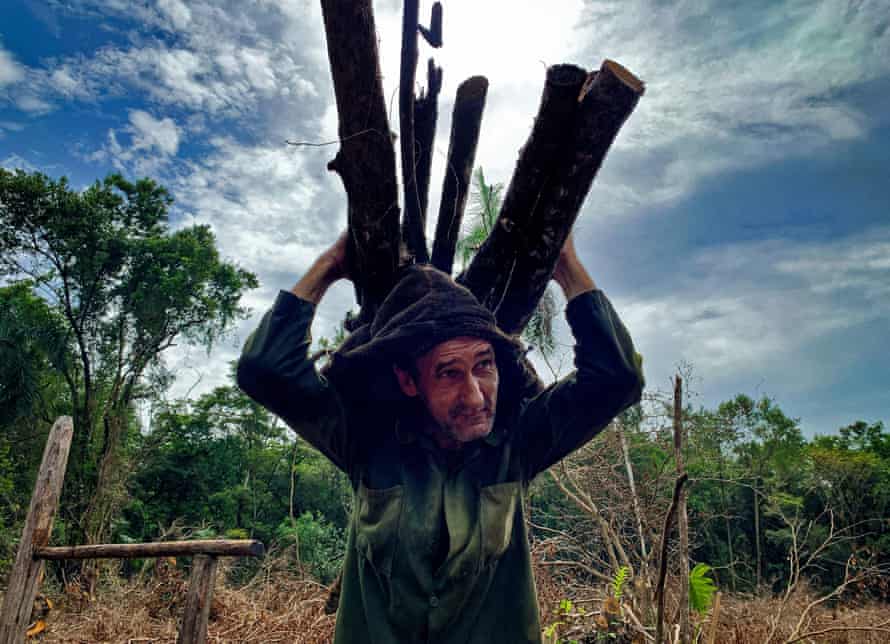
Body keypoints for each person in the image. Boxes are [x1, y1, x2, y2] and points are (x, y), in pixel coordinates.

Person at [237, 231, 643, 644]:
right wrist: (329, 265)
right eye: (449, 373)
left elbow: (617, 378)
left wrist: (567, 268)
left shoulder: (517, 442)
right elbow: (263, 370)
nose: (475, 395)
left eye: (484, 365)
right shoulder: (367, 442)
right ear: (409, 382)